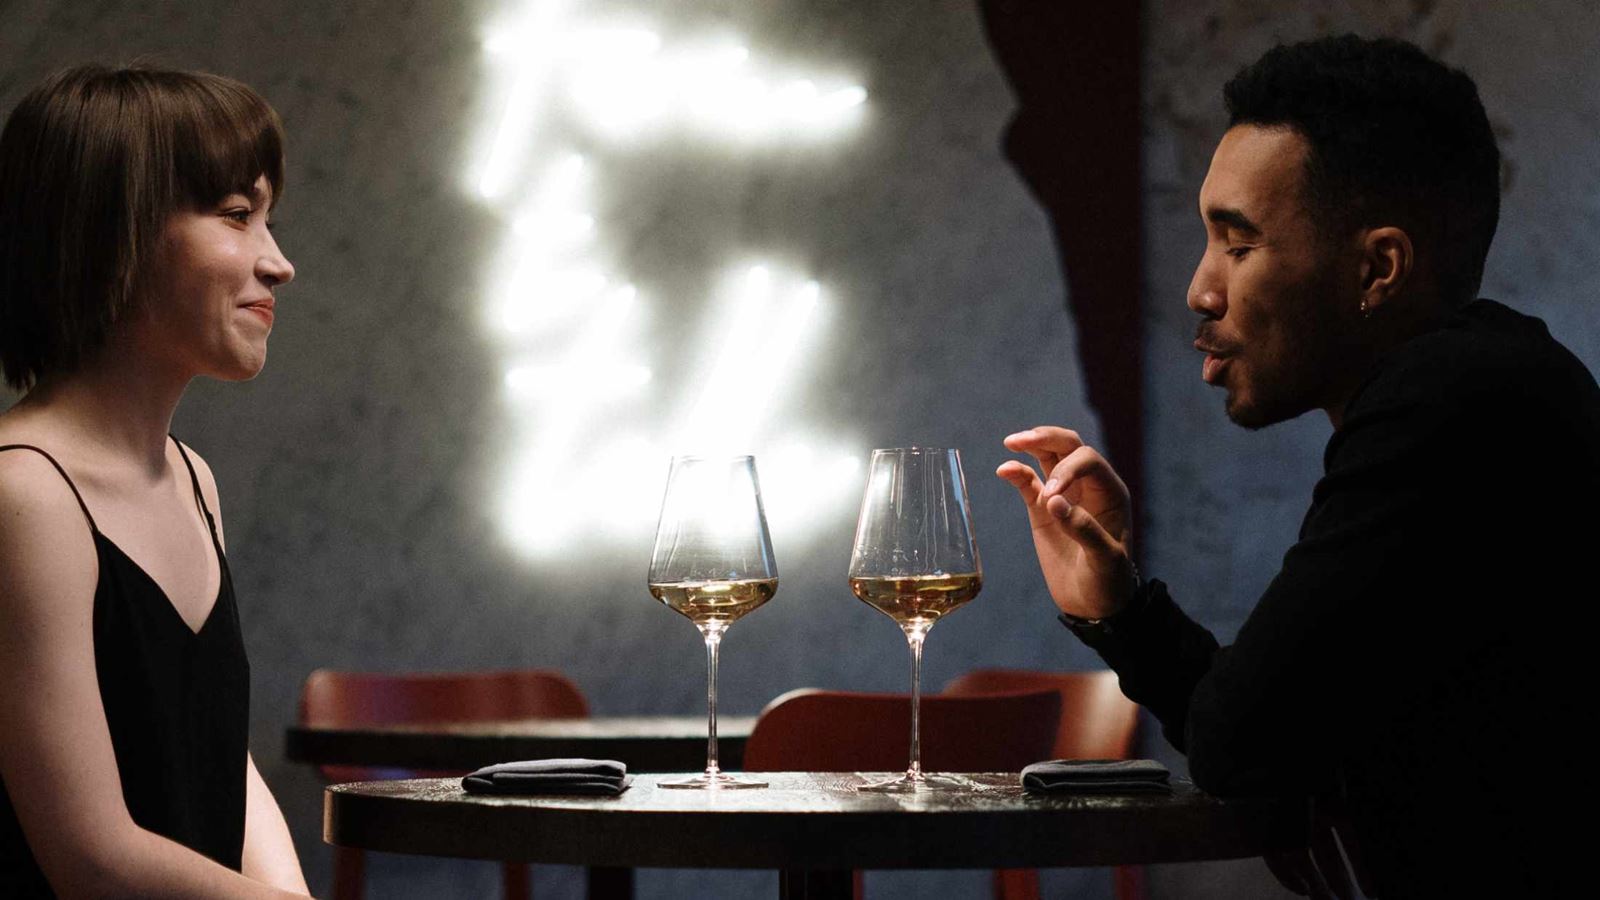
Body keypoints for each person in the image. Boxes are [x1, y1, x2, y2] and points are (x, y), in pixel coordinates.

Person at [997, 35, 1598, 898]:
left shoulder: (1451, 403)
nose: (1203, 290)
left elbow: (1245, 739)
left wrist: (1137, 627)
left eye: (1238, 245)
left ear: (1377, 268)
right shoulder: (1485, 388)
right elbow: (1265, 725)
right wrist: (1121, 609)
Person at [0, 66, 309, 896]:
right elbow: (90, 856)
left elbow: (215, 751)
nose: (278, 264)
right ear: (113, 232)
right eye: (238, 216)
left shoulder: (194, 478)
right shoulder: (25, 493)